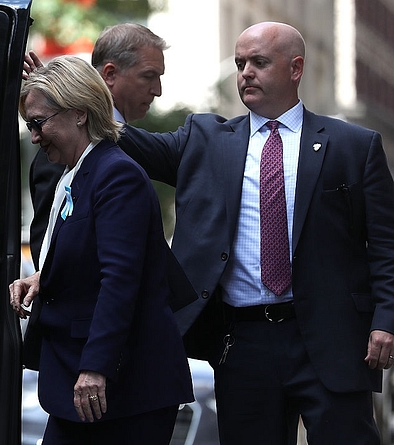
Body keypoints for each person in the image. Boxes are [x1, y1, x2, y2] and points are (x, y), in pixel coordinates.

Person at [117, 21, 394, 445]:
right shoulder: (204, 139)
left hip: (333, 337)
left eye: (259, 63)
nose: (245, 72)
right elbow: (125, 142)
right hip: (242, 343)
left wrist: (386, 321)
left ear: (295, 68)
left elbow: (386, 245)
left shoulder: (354, 145)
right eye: (240, 63)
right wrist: (70, 92)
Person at [9, 55, 194, 445]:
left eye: (39, 123)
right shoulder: (76, 173)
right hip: (84, 378)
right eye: (30, 125)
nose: (35, 136)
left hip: (122, 384)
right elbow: (92, 254)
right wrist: (43, 277)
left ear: (78, 113)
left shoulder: (115, 173)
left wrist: (96, 368)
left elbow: (121, 278)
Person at [24, 23, 168, 268]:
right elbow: (47, 250)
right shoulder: (61, 150)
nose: (157, 90)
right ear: (110, 74)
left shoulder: (117, 146)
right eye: (148, 76)